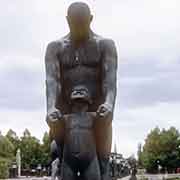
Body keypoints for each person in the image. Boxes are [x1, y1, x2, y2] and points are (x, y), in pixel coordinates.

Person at [45, 2, 117, 180]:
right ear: (67, 20)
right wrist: (50, 108)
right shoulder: (55, 48)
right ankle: (60, 165)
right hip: (65, 112)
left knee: (101, 165)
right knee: (59, 152)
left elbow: (110, 80)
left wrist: (108, 103)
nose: (77, 28)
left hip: (97, 112)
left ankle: (104, 166)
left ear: (91, 19)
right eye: (73, 24)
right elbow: (52, 81)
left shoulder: (105, 45)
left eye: (82, 24)